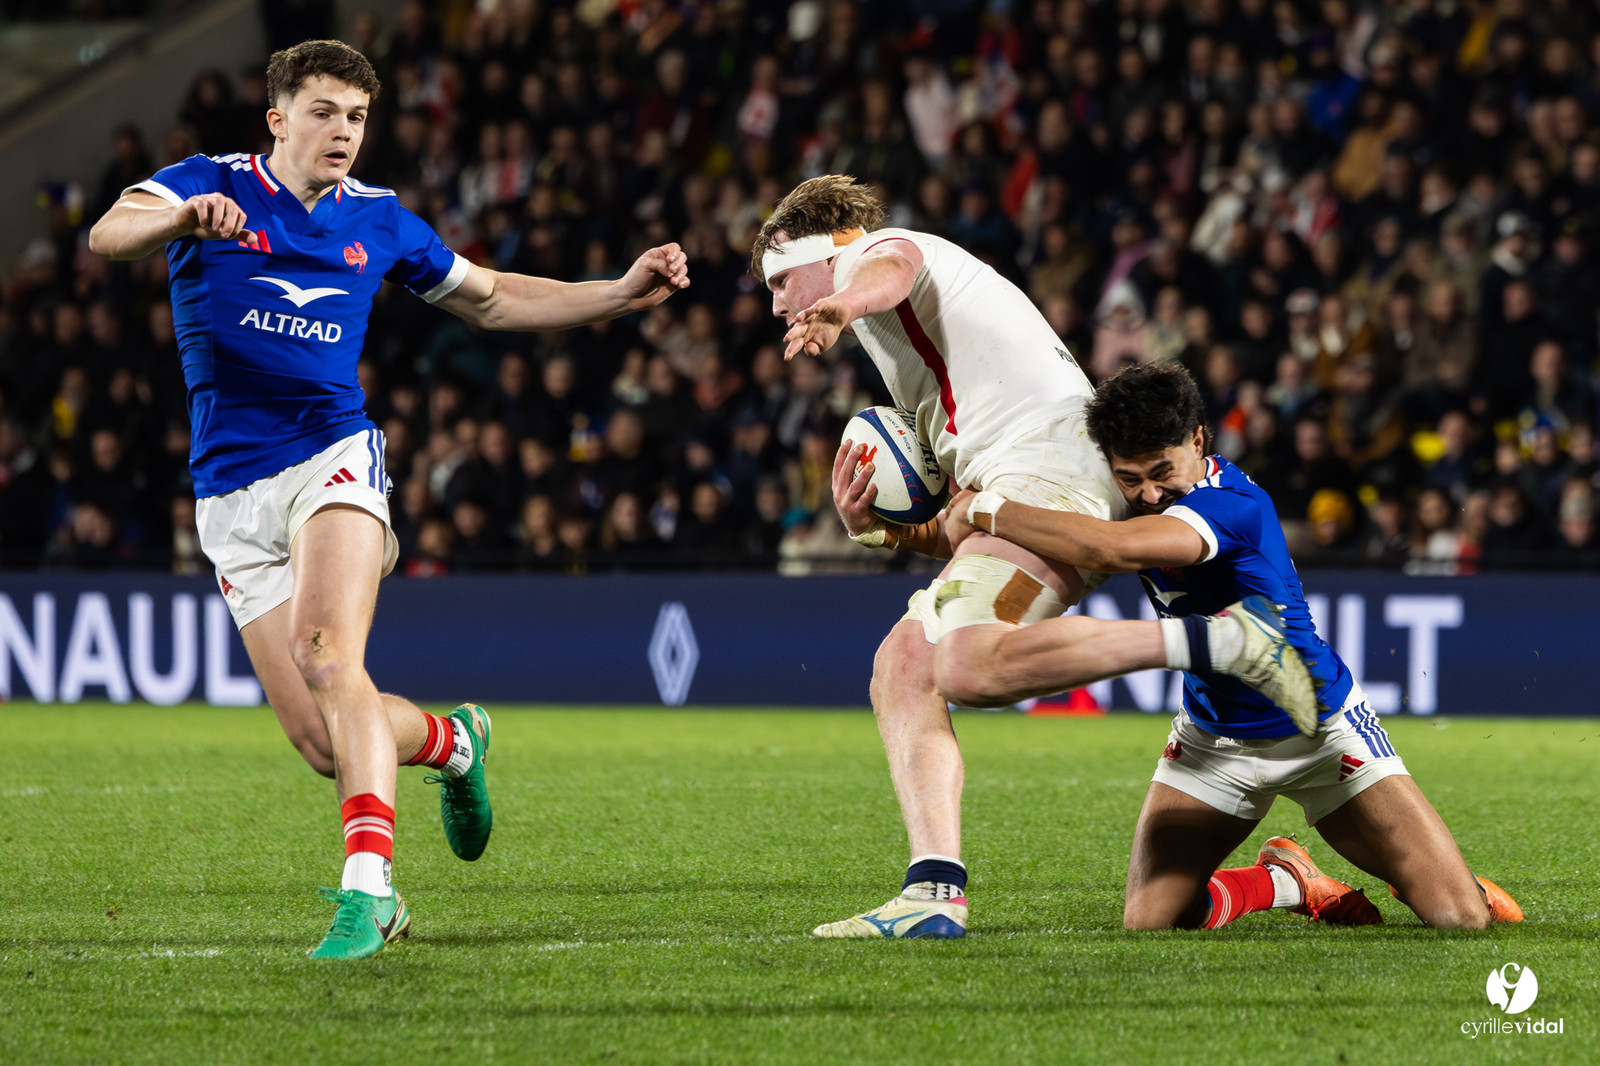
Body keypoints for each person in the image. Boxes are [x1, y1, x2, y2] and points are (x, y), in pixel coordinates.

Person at [87, 40, 690, 958]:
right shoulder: (210, 182)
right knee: (326, 742)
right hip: (228, 495)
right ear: (277, 119)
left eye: (358, 117)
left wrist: (616, 293)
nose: (343, 132)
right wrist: (178, 220)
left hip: (332, 458)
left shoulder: (383, 220)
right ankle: (453, 742)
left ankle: (367, 894)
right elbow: (107, 234)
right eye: (324, 111)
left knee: (329, 655)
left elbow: (491, 300)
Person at [753, 176, 1314, 939]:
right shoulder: (945, 370)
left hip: (1050, 468)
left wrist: (841, 305)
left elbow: (894, 266)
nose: (780, 302)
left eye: (784, 280)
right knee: (905, 667)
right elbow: (959, 531)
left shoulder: (878, 258)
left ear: (828, 253)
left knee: (969, 666)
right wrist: (879, 530)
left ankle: (1223, 639)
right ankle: (933, 891)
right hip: (1032, 473)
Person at [942, 362, 1520, 930]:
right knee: (1151, 921)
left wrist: (984, 506)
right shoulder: (1129, 505)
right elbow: (1041, 547)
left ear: (1198, 439)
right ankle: (1285, 881)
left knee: (1459, 919)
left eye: (1161, 470)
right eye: (1129, 478)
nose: (1147, 493)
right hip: (1211, 742)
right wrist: (899, 530)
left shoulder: (1229, 504)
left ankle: (1440, 878)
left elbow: (1106, 551)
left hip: (1318, 731)